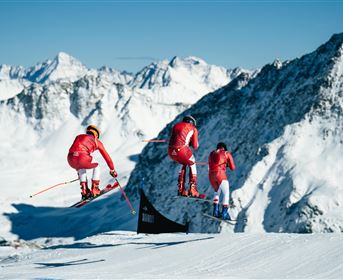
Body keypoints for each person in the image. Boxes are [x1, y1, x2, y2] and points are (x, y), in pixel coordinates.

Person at [67, 124, 118, 200]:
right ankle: (95, 189)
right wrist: (112, 170)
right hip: (82, 157)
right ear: (96, 135)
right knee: (96, 166)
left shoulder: (79, 136)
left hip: (70, 158)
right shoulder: (96, 141)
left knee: (81, 168)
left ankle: (84, 192)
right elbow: (107, 158)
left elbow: (75, 149)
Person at [168, 115, 202, 198]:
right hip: (181, 150)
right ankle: (192, 189)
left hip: (171, 151)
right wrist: (190, 142)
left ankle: (181, 189)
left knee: (183, 163)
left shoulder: (176, 125)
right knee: (192, 162)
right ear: (192, 123)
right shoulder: (193, 128)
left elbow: (176, 138)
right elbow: (195, 146)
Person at [208, 142, 235, 220]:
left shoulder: (211, 153)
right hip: (220, 175)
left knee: (217, 192)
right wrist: (227, 164)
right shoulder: (226, 153)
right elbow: (233, 168)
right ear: (224, 148)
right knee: (226, 193)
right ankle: (224, 213)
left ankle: (215, 212)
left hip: (211, 175)